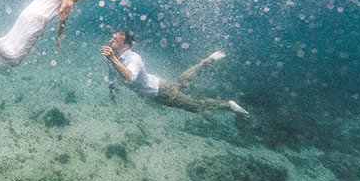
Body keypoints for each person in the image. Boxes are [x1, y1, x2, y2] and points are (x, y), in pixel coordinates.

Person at [100, 30, 250, 116]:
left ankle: (228, 105)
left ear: (125, 45)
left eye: (115, 38)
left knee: (196, 107)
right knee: (179, 84)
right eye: (112, 37)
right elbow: (112, 75)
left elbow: (129, 78)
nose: (111, 39)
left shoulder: (133, 58)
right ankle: (206, 62)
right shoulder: (112, 57)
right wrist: (111, 90)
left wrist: (112, 58)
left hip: (161, 92)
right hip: (157, 85)